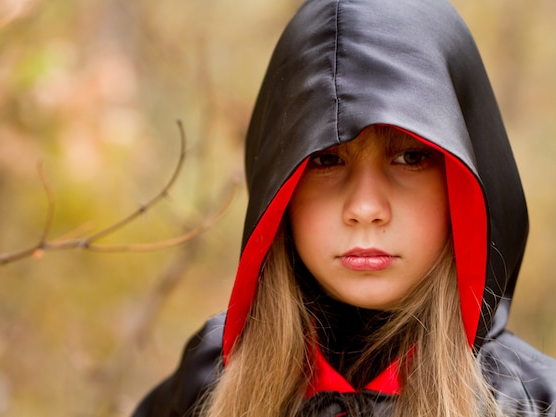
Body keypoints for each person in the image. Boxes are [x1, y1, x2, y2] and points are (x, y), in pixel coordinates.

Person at [133, 0, 556, 416]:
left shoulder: (532, 403)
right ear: (280, 184)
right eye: (326, 159)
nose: (366, 208)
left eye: (410, 158)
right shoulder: (212, 378)